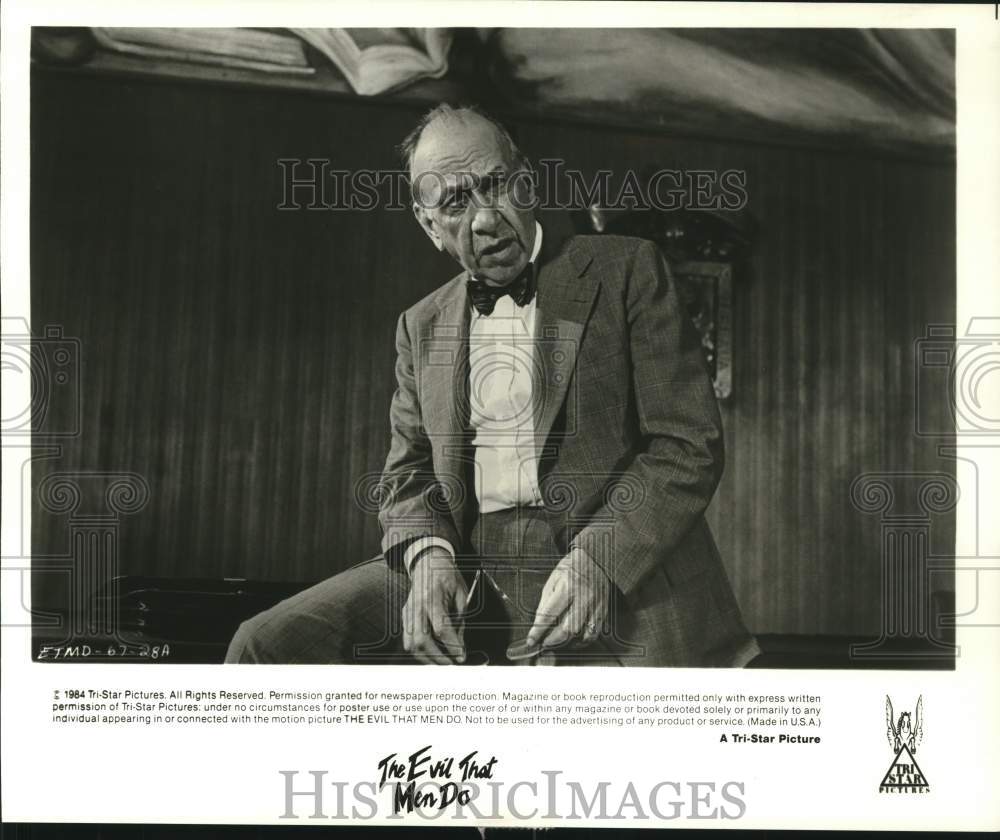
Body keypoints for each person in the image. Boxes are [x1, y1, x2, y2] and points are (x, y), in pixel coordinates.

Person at [225, 104, 760, 667]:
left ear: (525, 180)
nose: (485, 219)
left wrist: (599, 559)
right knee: (263, 645)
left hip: (610, 547)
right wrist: (428, 558)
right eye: (455, 202)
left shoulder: (626, 269)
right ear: (429, 225)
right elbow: (407, 473)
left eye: (495, 185)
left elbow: (686, 444)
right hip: (468, 560)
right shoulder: (420, 324)